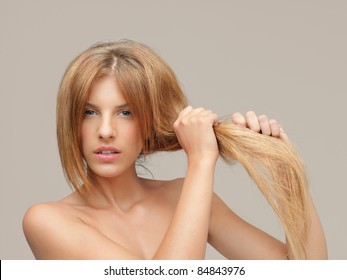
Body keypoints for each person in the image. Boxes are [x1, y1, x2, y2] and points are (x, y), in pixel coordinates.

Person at [22, 40, 327, 260]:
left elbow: (306, 271)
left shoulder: (184, 197)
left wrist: (288, 175)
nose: (105, 131)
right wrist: (200, 160)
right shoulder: (48, 221)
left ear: (150, 121)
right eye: (89, 112)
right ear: (71, 122)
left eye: (126, 112)